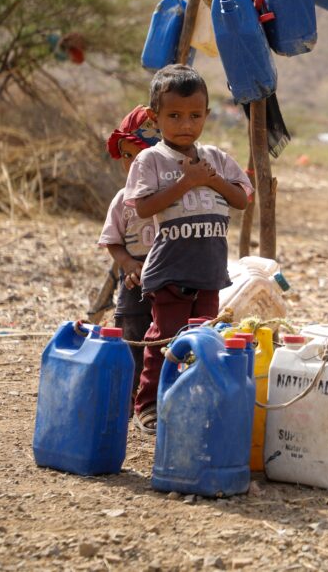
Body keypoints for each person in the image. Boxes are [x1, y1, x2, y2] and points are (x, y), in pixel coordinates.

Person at [124, 64, 252, 433]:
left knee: (202, 340)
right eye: (175, 116)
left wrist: (210, 179)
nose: (186, 124)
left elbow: (241, 199)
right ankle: (149, 404)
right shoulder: (151, 159)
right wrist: (186, 182)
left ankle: (188, 400)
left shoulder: (216, 157)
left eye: (195, 116)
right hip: (171, 268)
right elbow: (144, 207)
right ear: (155, 118)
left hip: (209, 269)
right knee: (164, 338)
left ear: (206, 115)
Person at [98, 105, 161, 401]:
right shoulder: (123, 200)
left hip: (169, 279)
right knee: (131, 337)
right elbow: (112, 240)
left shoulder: (174, 195)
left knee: (165, 339)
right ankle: (128, 397)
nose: (133, 164)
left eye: (142, 156)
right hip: (134, 282)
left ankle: (154, 396)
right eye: (127, 155)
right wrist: (126, 263)